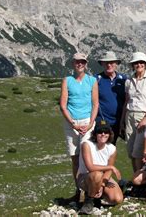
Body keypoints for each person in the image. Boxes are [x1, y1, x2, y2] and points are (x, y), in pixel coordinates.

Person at [59, 52, 99, 202]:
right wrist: (73, 124)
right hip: (72, 123)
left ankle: (89, 190)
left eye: (82, 62)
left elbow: (95, 104)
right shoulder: (67, 80)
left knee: (86, 157)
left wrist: (89, 124)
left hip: (88, 121)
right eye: (77, 62)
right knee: (75, 158)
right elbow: (63, 105)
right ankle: (79, 191)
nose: (80, 64)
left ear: (86, 64)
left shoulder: (92, 80)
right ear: (73, 64)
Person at [122, 52, 146, 172]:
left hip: (144, 116)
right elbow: (127, 100)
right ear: (133, 65)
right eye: (136, 63)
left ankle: (140, 180)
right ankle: (136, 176)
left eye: (141, 62)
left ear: (145, 64)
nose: (139, 64)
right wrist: (123, 120)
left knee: (138, 151)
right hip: (130, 115)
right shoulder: (129, 81)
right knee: (130, 149)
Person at [77, 120, 124, 214]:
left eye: (106, 132)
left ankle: (99, 196)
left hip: (103, 178)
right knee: (97, 175)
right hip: (85, 177)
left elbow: (108, 172)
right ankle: (89, 200)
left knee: (117, 199)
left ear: (110, 134)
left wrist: (102, 185)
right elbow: (90, 167)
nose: (103, 134)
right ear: (95, 134)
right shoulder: (86, 144)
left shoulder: (112, 148)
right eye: (100, 132)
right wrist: (111, 167)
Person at [95, 51, 127, 145]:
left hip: (118, 121)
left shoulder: (124, 79)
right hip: (102, 121)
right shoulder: (96, 79)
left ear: (116, 64)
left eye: (112, 62)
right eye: (106, 63)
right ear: (102, 64)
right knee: (100, 149)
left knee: (112, 148)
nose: (109, 65)